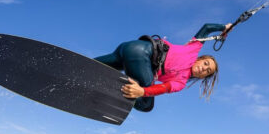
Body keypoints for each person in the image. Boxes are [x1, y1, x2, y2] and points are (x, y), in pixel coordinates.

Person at [94, 23, 233, 112]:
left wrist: (142, 90)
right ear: (200, 59)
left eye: (207, 71)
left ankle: (78, 69)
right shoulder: (193, 49)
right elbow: (207, 28)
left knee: (92, 66)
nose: (204, 68)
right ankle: (116, 89)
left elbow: (164, 88)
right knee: (146, 105)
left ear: (203, 77)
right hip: (142, 54)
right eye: (206, 64)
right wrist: (224, 28)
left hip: (128, 48)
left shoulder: (181, 83)